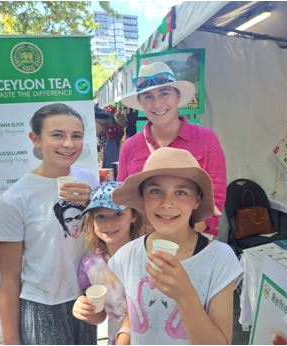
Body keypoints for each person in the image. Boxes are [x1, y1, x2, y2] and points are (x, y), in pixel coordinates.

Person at [109, 147, 242, 344]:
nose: (167, 203)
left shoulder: (220, 259)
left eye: (180, 192)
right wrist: (123, 337)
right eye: (155, 191)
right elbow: (133, 313)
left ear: (197, 199)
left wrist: (185, 295)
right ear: (143, 199)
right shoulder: (126, 256)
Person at [0, 103, 99, 344]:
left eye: (76, 136)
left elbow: (107, 237)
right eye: (57, 135)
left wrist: (94, 204)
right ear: (36, 139)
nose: (68, 144)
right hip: (42, 305)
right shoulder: (15, 198)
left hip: (84, 300)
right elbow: (9, 277)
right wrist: (11, 340)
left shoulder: (89, 181)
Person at [118, 61, 226, 238]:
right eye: (147, 96)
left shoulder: (206, 139)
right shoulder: (130, 146)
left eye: (164, 93)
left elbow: (217, 194)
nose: (157, 103)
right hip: (146, 240)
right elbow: (125, 197)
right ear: (141, 104)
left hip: (195, 237)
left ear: (178, 98)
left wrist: (193, 233)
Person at [72, 181, 144, 344]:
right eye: (100, 216)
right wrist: (86, 311)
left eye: (118, 214)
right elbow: (100, 315)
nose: (109, 223)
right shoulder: (90, 265)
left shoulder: (147, 256)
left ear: (133, 215)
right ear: (92, 221)